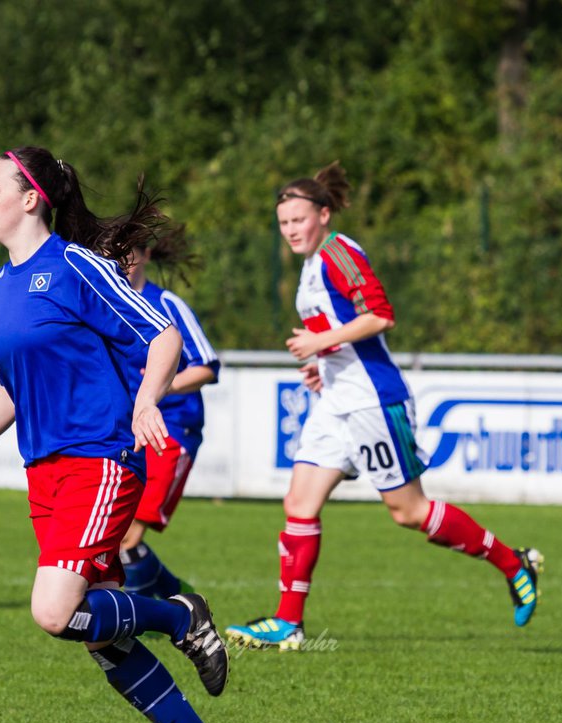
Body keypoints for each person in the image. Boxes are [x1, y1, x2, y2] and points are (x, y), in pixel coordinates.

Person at [0, 147, 233, 723]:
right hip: (44, 473)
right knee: (101, 636)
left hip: (99, 458)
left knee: (54, 612)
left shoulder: (75, 266)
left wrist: (147, 399)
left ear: (30, 197)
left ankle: (182, 615)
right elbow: (14, 387)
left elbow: (163, 336)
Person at [227, 162, 543, 651]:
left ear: (324, 215)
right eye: (283, 223)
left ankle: (512, 562)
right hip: (335, 401)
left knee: (409, 512)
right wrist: (321, 361)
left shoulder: (339, 251)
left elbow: (380, 315)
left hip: (373, 400)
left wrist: (321, 341)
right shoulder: (311, 268)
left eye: (299, 220)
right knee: (299, 504)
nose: (290, 230)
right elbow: (340, 335)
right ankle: (288, 623)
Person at [118, 231, 220, 599]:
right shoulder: (103, 305)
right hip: (125, 431)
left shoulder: (167, 305)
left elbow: (207, 366)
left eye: (125, 253)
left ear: (145, 255)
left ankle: (146, 616)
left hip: (170, 430)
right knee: (113, 532)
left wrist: (164, 385)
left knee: (127, 535)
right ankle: (179, 596)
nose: (118, 261)